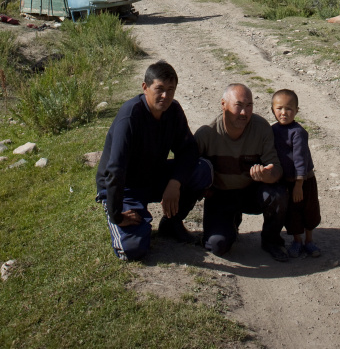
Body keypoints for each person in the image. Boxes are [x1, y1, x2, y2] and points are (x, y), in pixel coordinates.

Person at [96, 60, 212, 260]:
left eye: (171, 90)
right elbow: (115, 170)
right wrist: (117, 215)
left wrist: (175, 183)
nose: (165, 96)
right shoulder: (130, 117)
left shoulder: (173, 111)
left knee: (203, 170)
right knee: (132, 249)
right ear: (145, 87)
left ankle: (172, 222)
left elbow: (189, 150)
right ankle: (129, 220)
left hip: (153, 176)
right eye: (159, 89)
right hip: (125, 187)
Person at [194, 83, 289, 261]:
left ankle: (271, 240)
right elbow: (189, 168)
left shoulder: (261, 128)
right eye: (238, 106)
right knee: (217, 246)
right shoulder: (207, 133)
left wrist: (269, 175)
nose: (244, 113)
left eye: (249, 106)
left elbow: (277, 169)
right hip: (220, 195)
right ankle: (229, 222)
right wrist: (202, 190)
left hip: (250, 191)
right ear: (223, 104)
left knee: (278, 193)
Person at [271, 89, 321, 258]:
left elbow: (300, 159)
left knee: (308, 210)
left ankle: (309, 241)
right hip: (286, 181)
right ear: (272, 109)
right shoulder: (273, 130)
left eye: (289, 109)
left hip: (303, 181)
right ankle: (297, 240)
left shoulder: (298, 133)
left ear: (297, 111)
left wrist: (299, 184)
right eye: (279, 108)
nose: (284, 113)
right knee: (292, 212)